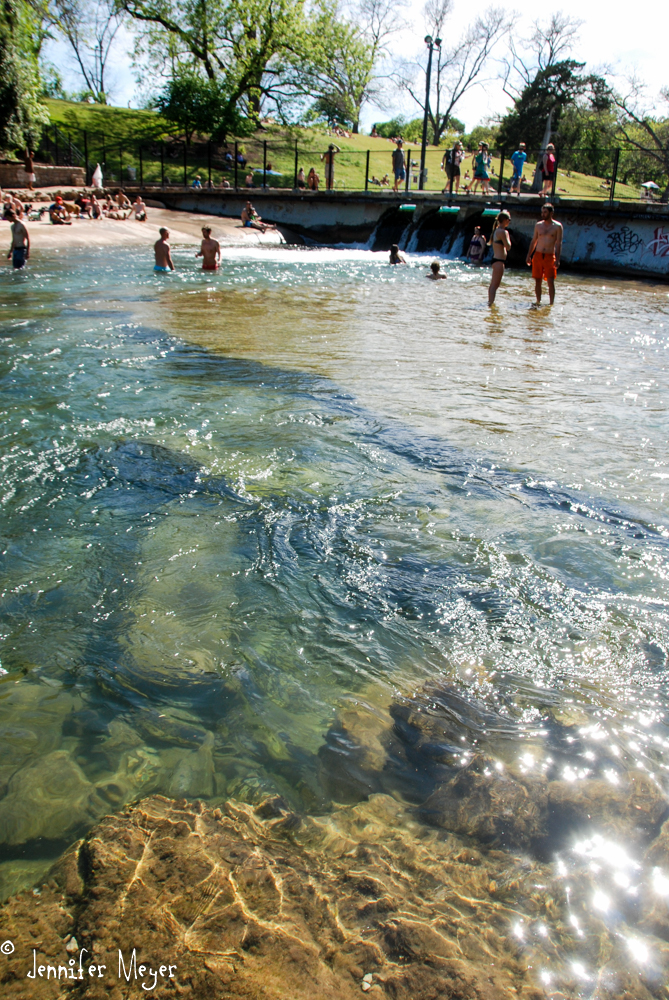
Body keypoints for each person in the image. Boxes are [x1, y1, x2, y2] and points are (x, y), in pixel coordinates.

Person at [526, 203, 563, 306]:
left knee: (550, 280)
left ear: (551, 213)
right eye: (542, 212)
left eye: (545, 212)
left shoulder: (557, 227)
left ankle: (551, 304)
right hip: (538, 255)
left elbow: (559, 243)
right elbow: (534, 241)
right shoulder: (538, 225)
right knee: (538, 280)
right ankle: (538, 302)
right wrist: (529, 255)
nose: (543, 214)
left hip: (549, 255)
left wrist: (558, 259)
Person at [487, 210, 511, 306]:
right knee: (494, 286)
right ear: (505, 220)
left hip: (496, 260)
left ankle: (490, 303)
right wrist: (508, 236)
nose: (509, 221)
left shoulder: (497, 230)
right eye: (509, 219)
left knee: (493, 285)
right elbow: (508, 247)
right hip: (499, 261)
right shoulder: (502, 232)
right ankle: (490, 304)